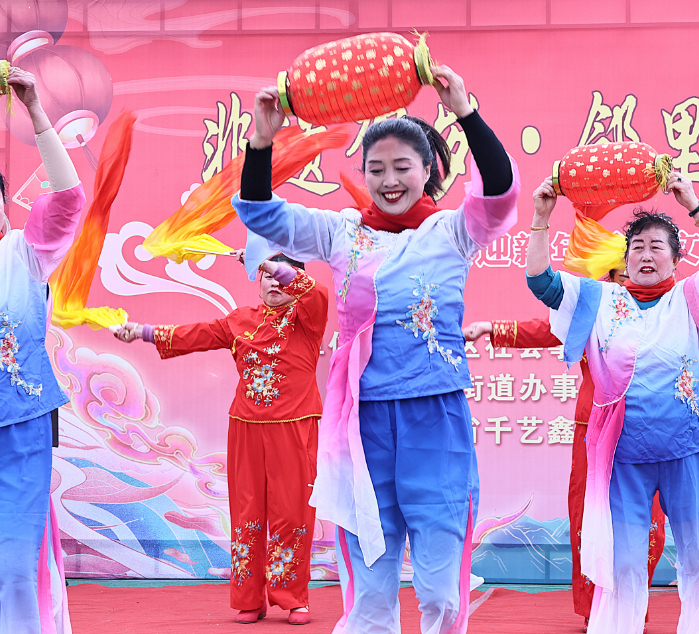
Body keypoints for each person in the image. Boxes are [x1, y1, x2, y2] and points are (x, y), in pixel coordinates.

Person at [232, 65, 518, 634]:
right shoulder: (341, 232)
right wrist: (261, 142)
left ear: (429, 172)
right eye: (377, 168)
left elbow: (502, 192)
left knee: (440, 591)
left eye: (402, 168)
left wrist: (465, 111)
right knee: (369, 593)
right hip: (362, 427)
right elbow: (262, 212)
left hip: (435, 420)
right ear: (363, 172)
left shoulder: (451, 233)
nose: (390, 180)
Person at [523, 174, 699, 634]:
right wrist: (541, 218)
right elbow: (542, 283)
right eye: (637, 247)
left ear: (677, 258)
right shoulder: (600, 299)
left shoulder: (692, 297)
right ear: (626, 258)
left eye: (657, 247)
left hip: (686, 448)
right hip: (624, 455)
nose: (645, 254)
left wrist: (695, 206)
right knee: (623, 570)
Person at [111, 252, 328, 625]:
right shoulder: (240, 320)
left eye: (282, 277)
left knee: (292, 512)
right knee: (247, 511)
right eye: (266, 276)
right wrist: (143, 331)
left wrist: (268, 263)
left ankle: (292, 598)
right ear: (255, 282)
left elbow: (317, 293)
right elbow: (194, 335)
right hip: (245, 426)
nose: (274, 283)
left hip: (294, 426)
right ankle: (249, 597)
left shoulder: (307, 319)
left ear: (295, 283)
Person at [462, 269, 667, 634]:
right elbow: (547, 330)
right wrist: (491, 329)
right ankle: (595, 609)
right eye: (615, 276)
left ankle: (633, 604)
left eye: (629, 274)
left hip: (647, 429)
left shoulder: (667, 308)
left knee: (646, 521)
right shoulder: (595, 308)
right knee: (589, 518)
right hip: (596, 428)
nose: (623, 283)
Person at [0, 68, 86, 634]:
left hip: (19, 429)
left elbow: (70, 196)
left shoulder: (25, 253)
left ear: (5, 203)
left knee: (13, 568)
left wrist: (35, 112)